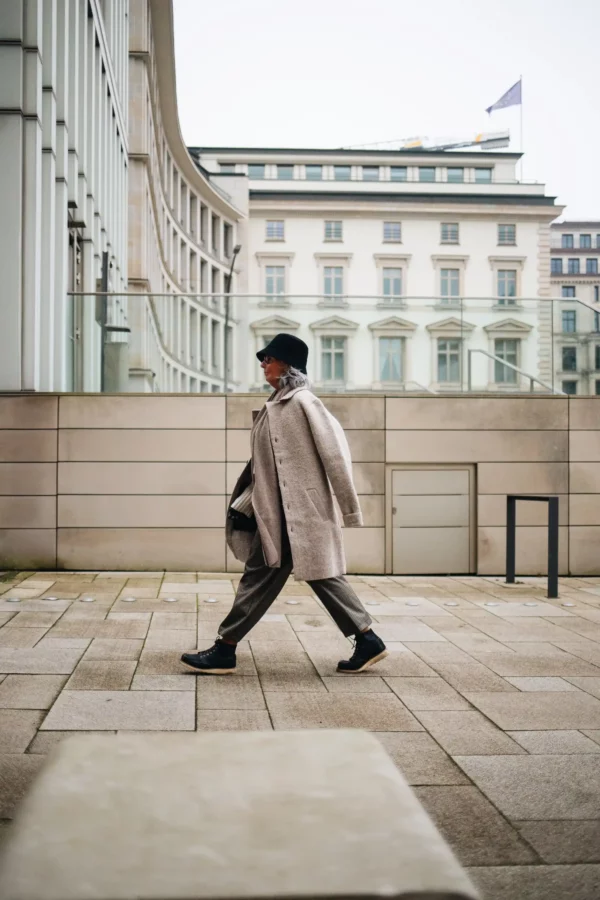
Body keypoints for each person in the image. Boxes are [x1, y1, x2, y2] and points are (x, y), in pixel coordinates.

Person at [181, 333, 388, 675]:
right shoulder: (276, 404)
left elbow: (336, 455)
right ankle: (367, 640)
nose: (263, 363)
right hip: (278, 514)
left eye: (269, 358)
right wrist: (247, 499)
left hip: (300, 514)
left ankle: (225, 649)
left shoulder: (304, 402)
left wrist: (350, 510)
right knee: (314, 576)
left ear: (287, 364)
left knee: (278, 576)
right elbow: (263, 465)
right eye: (262, 358)